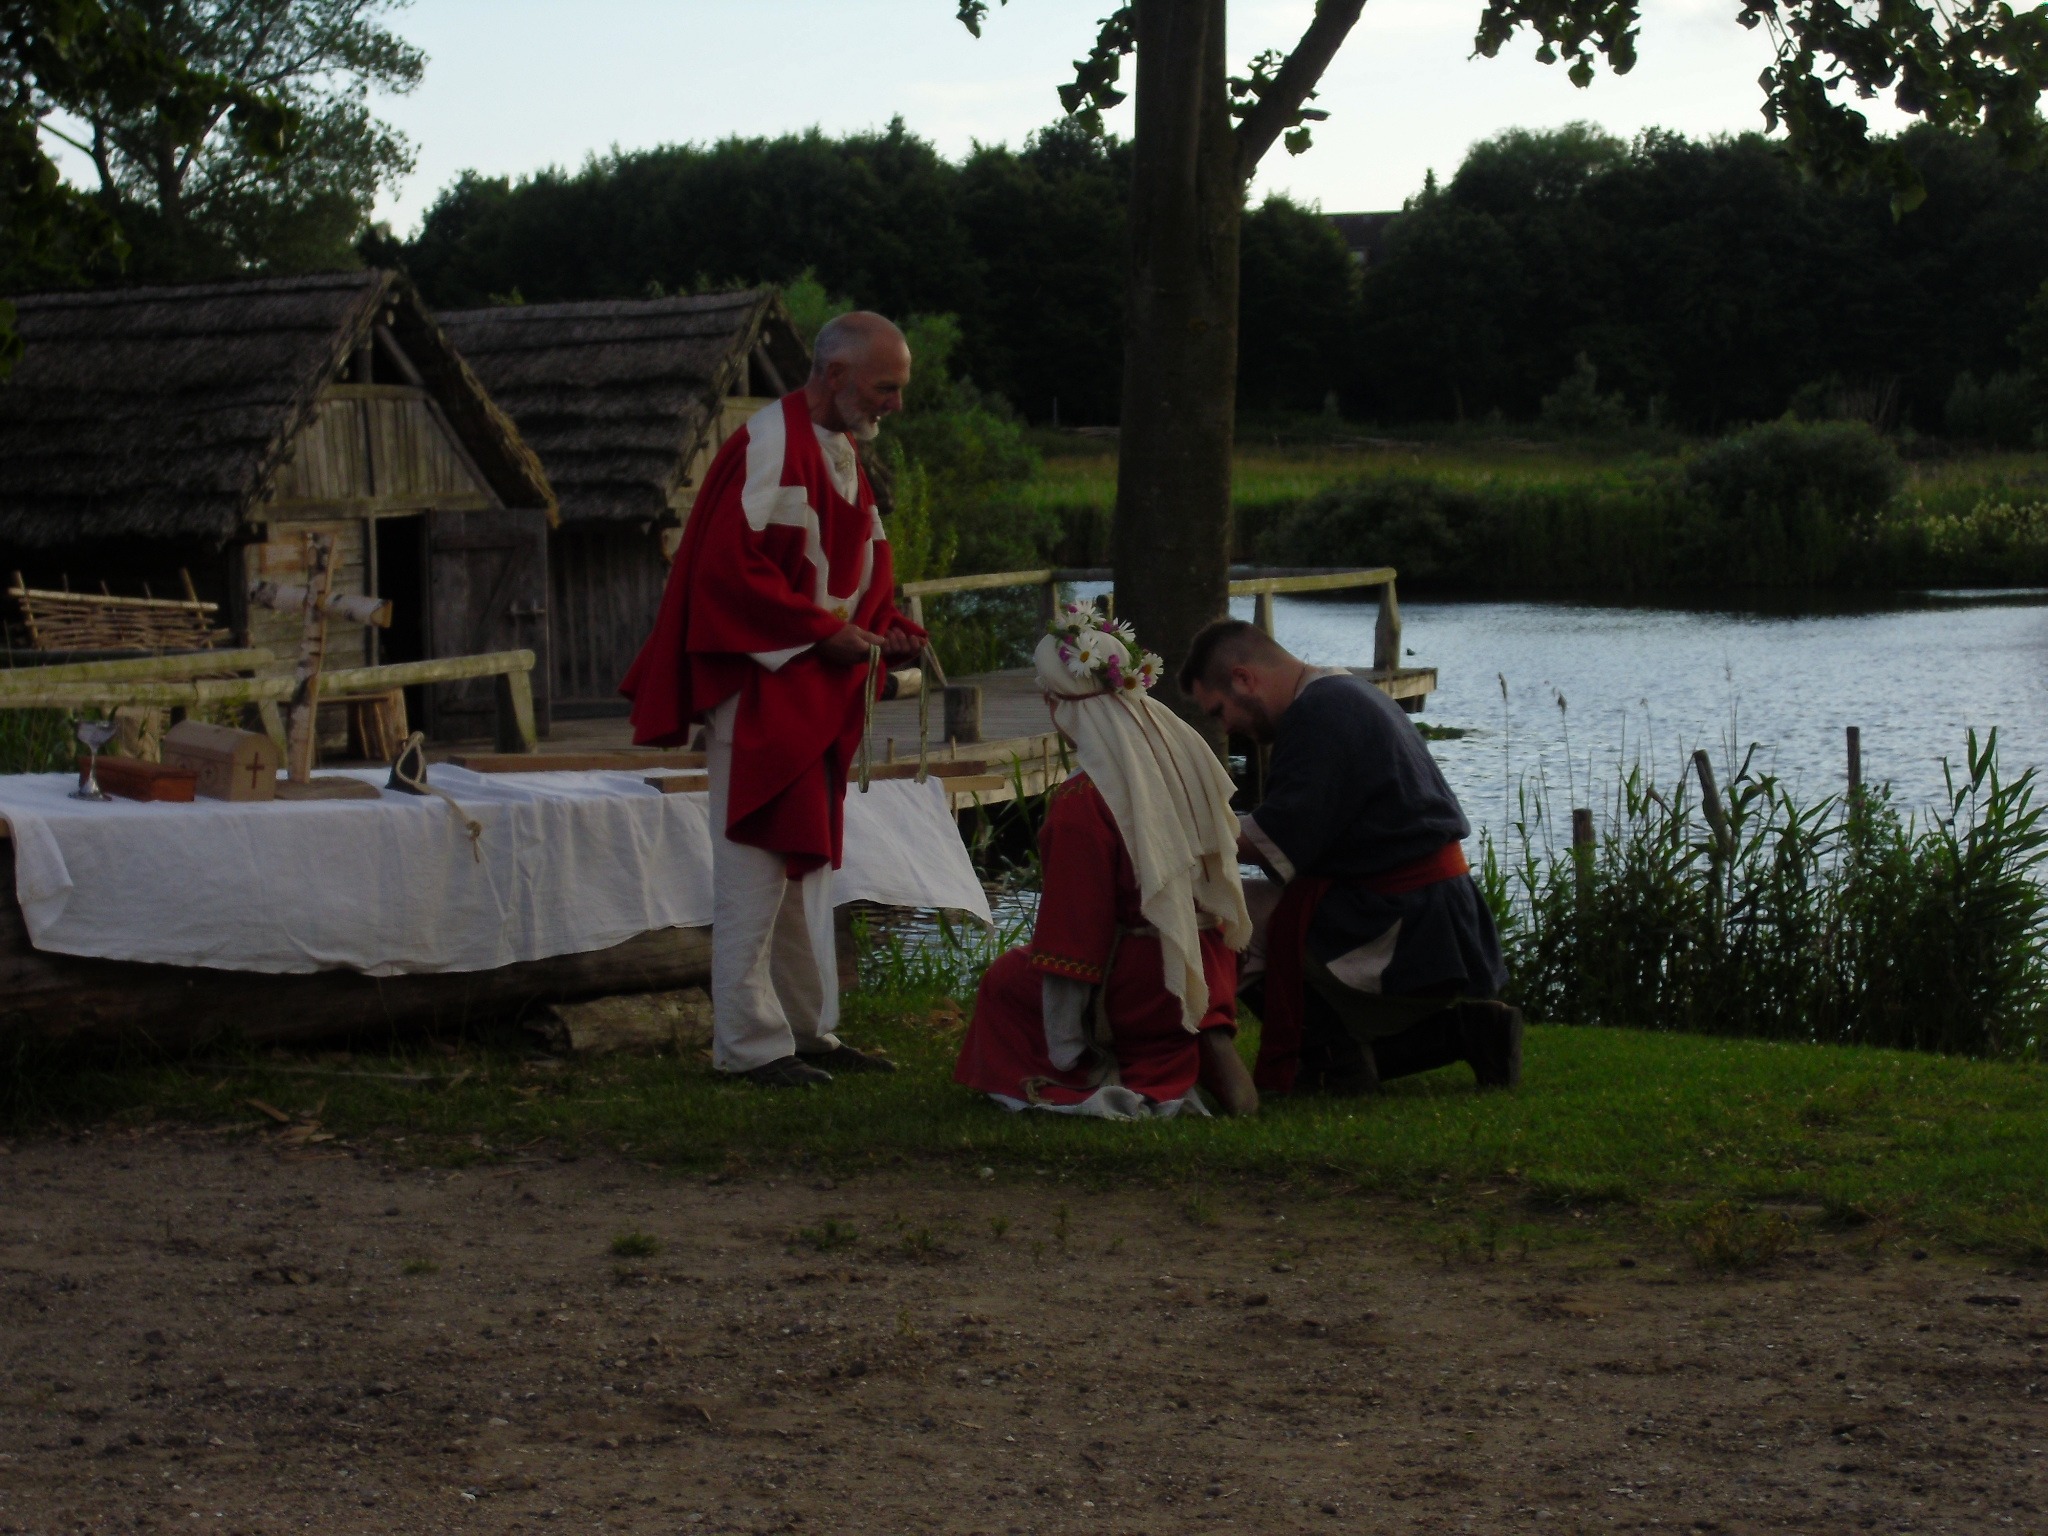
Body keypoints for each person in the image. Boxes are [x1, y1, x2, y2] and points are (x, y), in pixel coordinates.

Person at [621, 312, 926, 1088]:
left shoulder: (841, 452)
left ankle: (807, 1031)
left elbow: (864, 570)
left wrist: (885, 630)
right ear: (836, 376)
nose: (895, 403)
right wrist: (824, 633)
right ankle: (748, 1047)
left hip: (815, 695)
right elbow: (728, 572)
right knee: (753, 873)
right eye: (886, 386)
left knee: (806, 874)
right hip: (764, 691)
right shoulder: (766, 445)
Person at [1179, 619, 1521, 1095]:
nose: (1226, 727)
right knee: (1243, 905)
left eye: (1220, 711)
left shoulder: (1320, 714)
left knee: (1220, 913)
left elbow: (1278, 838)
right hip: (1432, 915)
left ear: (1243, 678)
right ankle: (1464, 1033)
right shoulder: (1342, 693)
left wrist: (1176, 830)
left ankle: (1326, 1060)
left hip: (1404, 923)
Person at [954, 605, 1260, 1119]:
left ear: (1059, 707)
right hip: (1213, 961)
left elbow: (1073, 939)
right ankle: (1202, 1037)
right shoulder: (1186, 761)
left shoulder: (1084, 801)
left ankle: (1085, 1071)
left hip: (1148, 983)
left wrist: (1067, 1042)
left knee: (1006, 979)